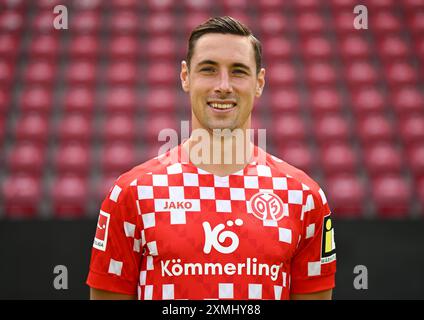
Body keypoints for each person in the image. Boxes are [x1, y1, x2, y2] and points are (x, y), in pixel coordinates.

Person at [87, 16, 336, 300]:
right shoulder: (131, 193)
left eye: (239, 71)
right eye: (208, 69)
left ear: (259, 82)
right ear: (185, 77)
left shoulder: (304, 197)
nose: (224, 85)